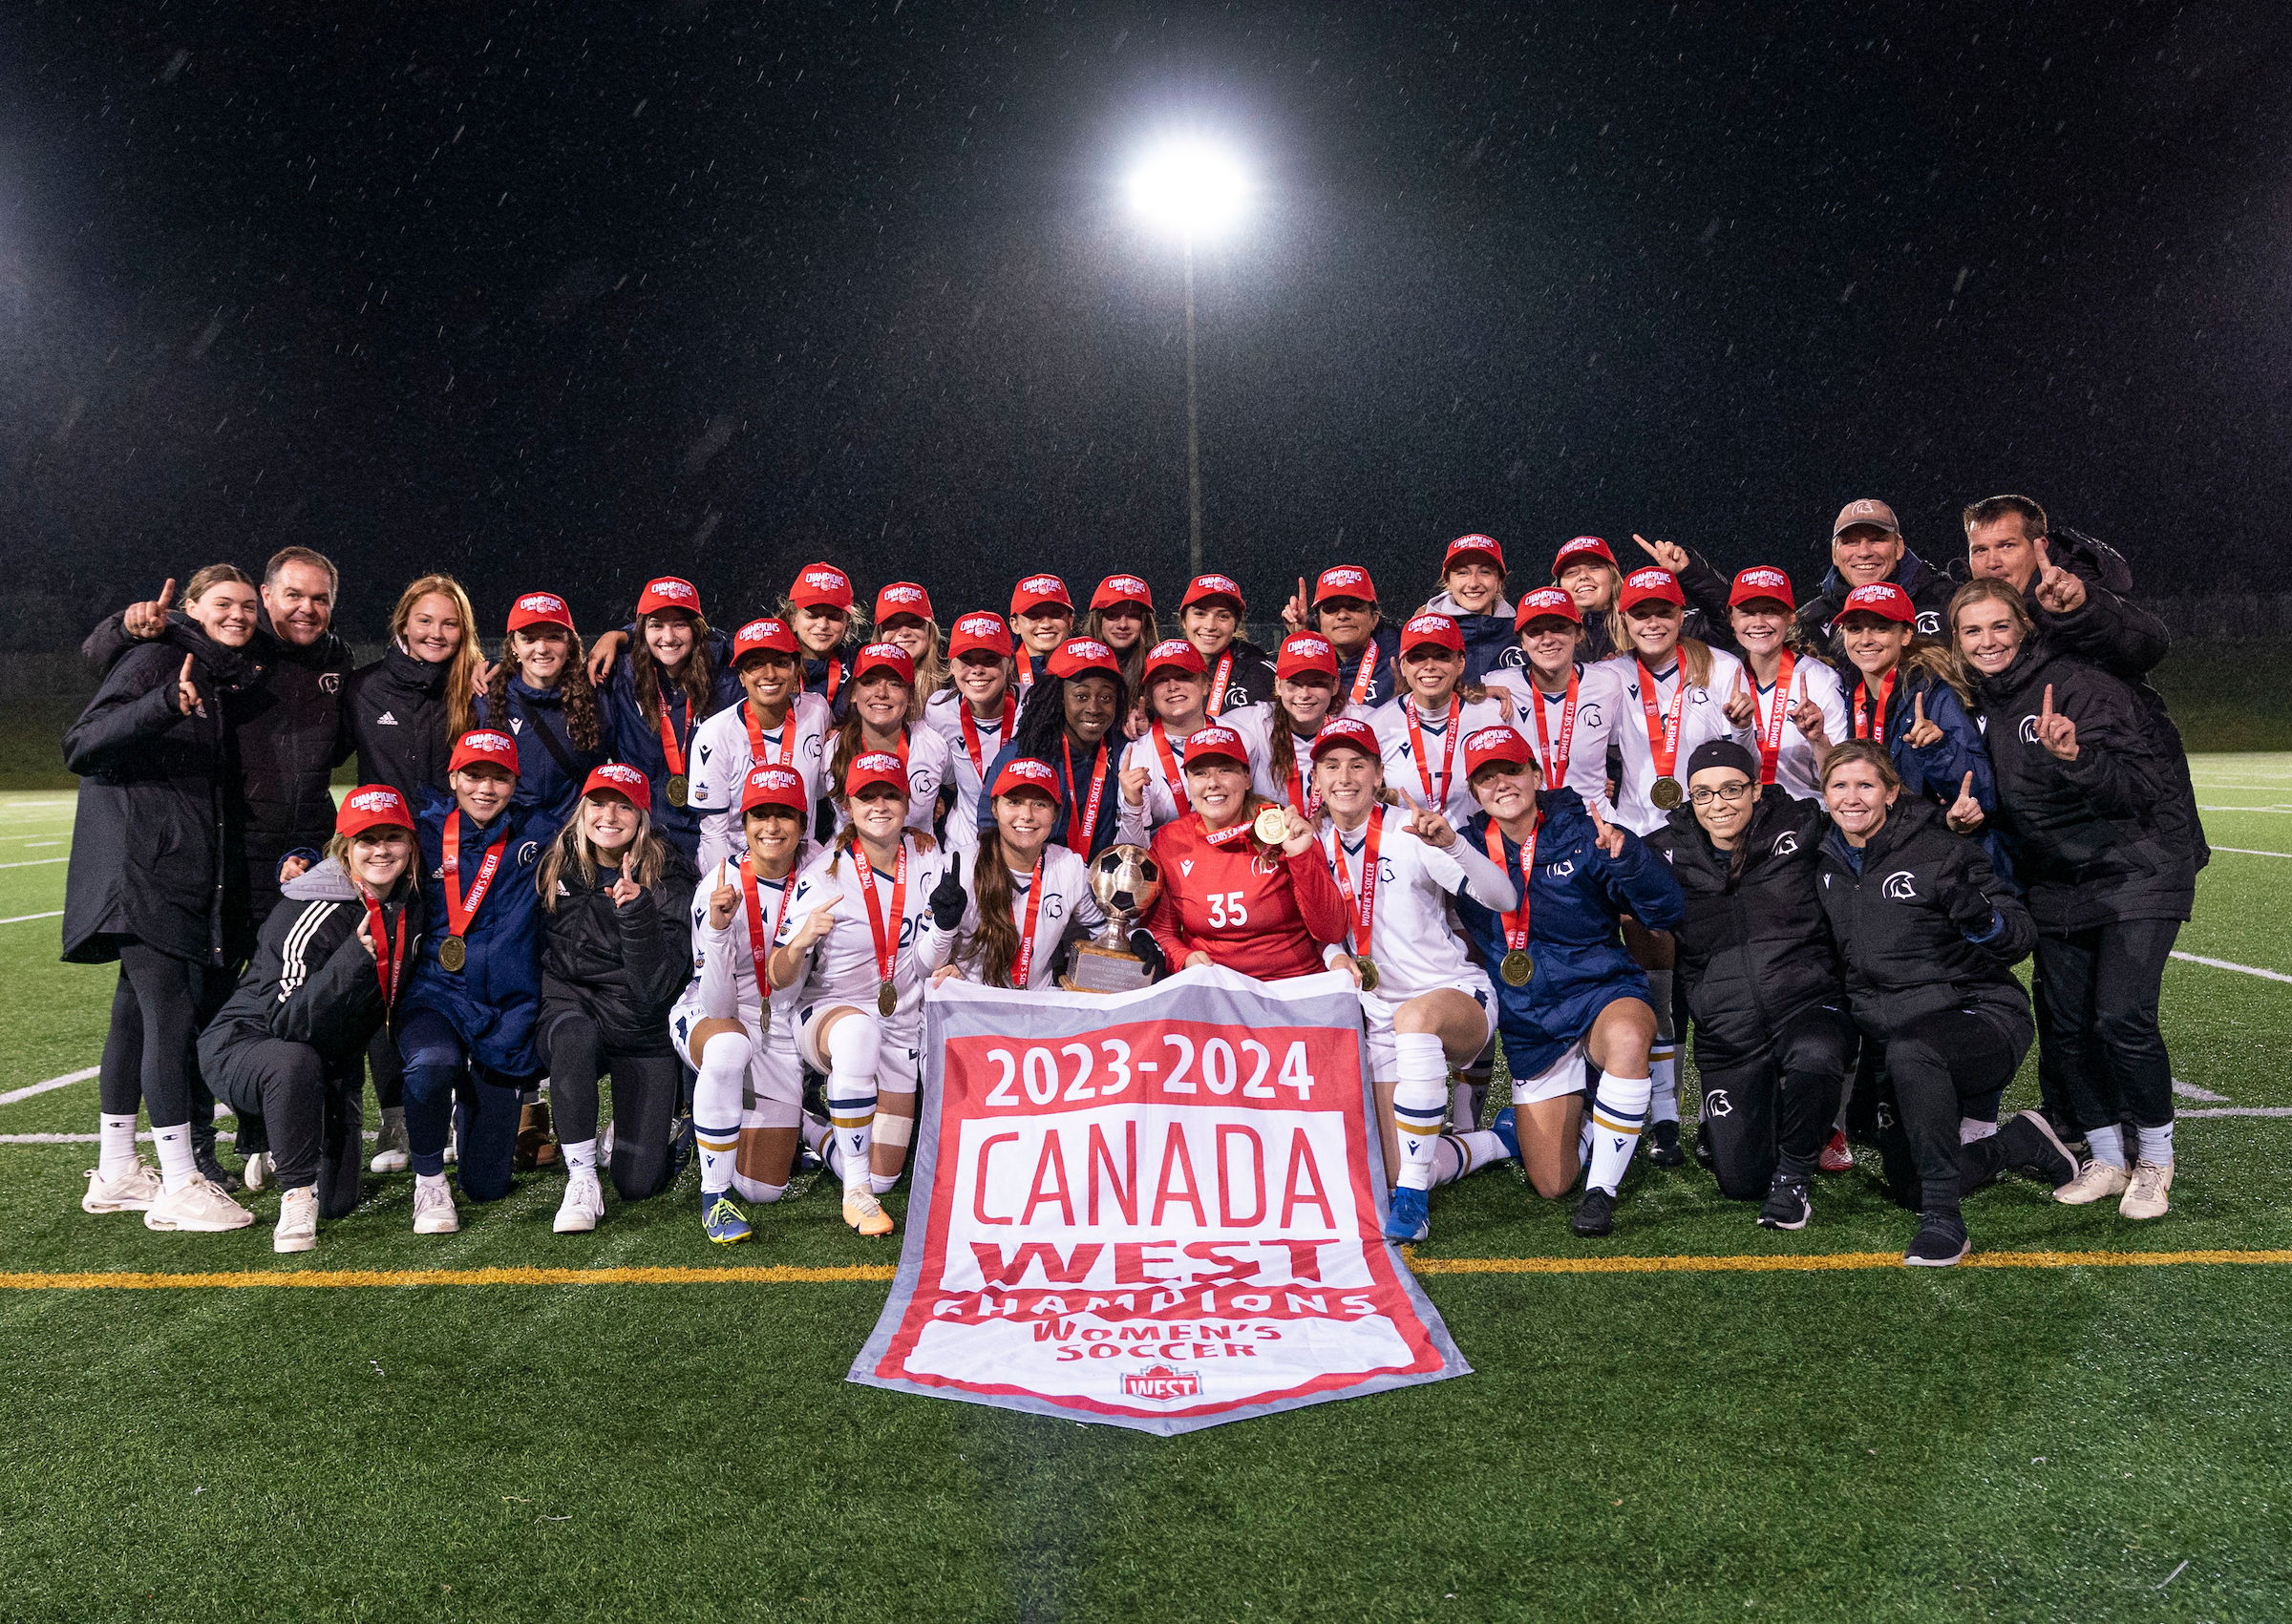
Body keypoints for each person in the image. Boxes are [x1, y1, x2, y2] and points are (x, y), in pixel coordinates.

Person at [1952, 579, 2193, 1218]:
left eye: (1999, 626)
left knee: (2121, 1015)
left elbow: (2142, 787)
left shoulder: (2080, 684)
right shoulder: (1982, 699)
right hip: (2057, 880)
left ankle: (2156, 1161)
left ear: (2024, 627)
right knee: (2066, 1025)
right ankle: (2109, 1159)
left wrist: (2077, 756)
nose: (1987, 641)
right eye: (1972, 631)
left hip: (2135, 869)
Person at [1814, 740, 2072, 1266]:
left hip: (1978, 1014)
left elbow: (2018, 936)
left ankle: (1946, 1225)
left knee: (1915, 1054)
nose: (1852, 797)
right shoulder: (1823, 862)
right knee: (1907, 1182)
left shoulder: (1941, 849)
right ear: (1824, 796)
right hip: (1895, 1031)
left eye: (1866, 784)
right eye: (1839, 785)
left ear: (1891, 792)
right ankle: (2021, 1142)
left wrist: (1979, 917)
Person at [67, 564, 266, 1231]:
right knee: (168, 1015)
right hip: (144, 873)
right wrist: (160, 704)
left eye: (246, 606)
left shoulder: (211, 670)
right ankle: (180, 1181)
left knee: (132, 1014)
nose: (238, 615)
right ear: (191, 606)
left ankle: (118, 1167)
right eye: (223, 603)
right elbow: (82, 744)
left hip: (161, 868)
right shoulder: (160, 659)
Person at [1450, 727, 1684, 1238]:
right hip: (1530, 1017)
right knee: (1553, 1182)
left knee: (1626, 1035)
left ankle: (1603, 1193)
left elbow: (1667, 911)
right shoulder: (1462, 849)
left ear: (1535, 774)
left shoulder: (1587, 830)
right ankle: (1594, 1106)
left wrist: (1629, 859)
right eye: (1487, 778)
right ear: (1475, 792)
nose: (1502, 785)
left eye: (1511, 771)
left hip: (1600, 991)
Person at [1305, 718, 1518, 1242]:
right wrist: (1335, 954)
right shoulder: (1312, 843)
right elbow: (1323, 924)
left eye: (1358, 764)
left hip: (1451, 996)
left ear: (1378, 773)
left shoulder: (1410, 829)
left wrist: (1452, 846)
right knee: (1393, 1167)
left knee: (1414, 1018)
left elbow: (1503, 899)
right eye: (1331, 766)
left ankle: (1415, 1204)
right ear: (1315, 779)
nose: (1345, 776)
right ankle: (1497, 1141)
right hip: (1381, 1015)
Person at [198, 786, 423, 1252]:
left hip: (329, 1061)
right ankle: (295, 1191)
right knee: (291, 1061)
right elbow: (287, 1022)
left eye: (392, 838)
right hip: (249, 1043)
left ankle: (277, 1142)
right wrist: (356, 959)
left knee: (339, 1200)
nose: (381, 850)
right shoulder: (307, 909)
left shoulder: (406, 901)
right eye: (367, 839)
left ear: (410, 845)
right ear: (344, 849)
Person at [1647, 740, 1856, 1226]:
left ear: (1756, 789)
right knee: (1740, 1182)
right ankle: (1789, 1117)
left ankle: (1795, 1178)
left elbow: (1873, 825)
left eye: (1731, 790)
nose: (1718, 804)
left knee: (1817, 1054)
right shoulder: (1664, 853)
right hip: (1729, 1033)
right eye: (1703, 794)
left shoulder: (1803, 827)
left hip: (1807, 1004)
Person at [1598, 565, 1755, 1162]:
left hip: (1707, 834)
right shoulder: (1610, 674)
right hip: (1639, 836)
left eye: (1663, 610)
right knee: (1655, 975)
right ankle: (1664, 1111)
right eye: (1641, 613)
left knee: (1713, 977)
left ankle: (1720, 1105)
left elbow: (1743, 757)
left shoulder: (1721, 666)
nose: (1653, 621)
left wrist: (1741, 728)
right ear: (1624, 619)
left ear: (1680, 613)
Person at [1962, 493, 2206, 872]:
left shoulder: (2075, 592)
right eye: (1980, 550)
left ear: (2039, 545)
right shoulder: (1975, 615)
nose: (1991, 562)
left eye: (2006, 546)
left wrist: (2083, 609)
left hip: (2135, 835)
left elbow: (2150, 644)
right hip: (2054, 852)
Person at [769, 751, 959, 1237]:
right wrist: (800, 941)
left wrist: (945, 928)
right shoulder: (821, 873)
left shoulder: (930, 860)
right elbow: (776, 975)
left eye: (890, 794)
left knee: (886, 1174)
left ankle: (810, 1128)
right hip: (830, 1012)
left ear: (907, 801)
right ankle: (855, 1193)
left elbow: (925, 963)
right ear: (848, 804)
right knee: (856, 1035)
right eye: (867, 795)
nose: (879, 805)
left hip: (901, 1023)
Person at [348, 572, 484, 1175]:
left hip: (462, 862)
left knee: (463, 981)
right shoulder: (360, 689)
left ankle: (472, 1110)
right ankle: (398, 1118)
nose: (436, 633)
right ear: (402, 623)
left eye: (449, 623)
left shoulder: (477, 687)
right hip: (388, 864)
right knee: (387, 986)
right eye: (425, 620)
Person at [395, 728, 551, 1234]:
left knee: (486, 1185)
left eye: (499, 778)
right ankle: (429, 1182)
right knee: (431, 1064)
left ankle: (475, 1114)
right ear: (454, 777)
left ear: (514, 783)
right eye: (474, 775)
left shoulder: (540, 833)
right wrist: (305, 856)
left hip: (506, 1006)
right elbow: (359, 849)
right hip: (436, 994)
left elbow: (604, 842)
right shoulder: (421, 830)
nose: (485, 788)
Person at [536, 763, 699, 1234]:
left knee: (638, 1183)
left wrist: (637, 911)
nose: (609, 815)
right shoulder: (556, 862)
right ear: (582, 810)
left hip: (639, 1024)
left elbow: (654, 987)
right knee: (574, 1037)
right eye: (599, 803)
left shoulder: (669, 873)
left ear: (642, 814)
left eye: (623, 805)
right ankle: (582, 1177)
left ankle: (635, 1133)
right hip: (574, 1008)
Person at [674, 764, 817, 1244]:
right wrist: (716, 932)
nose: (771, 828)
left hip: (777, 1021)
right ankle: (713, 1198)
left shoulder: (821, 872)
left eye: (783, 816)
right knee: (728, 1048)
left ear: (802, 823)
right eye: (760, 815)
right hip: (712, 1013)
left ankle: (810, 1129)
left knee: (763, 1189)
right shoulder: (716, 885)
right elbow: (716, 1004)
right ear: (743, 822)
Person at [1142, 724, 1350, 979]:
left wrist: (1301, 857)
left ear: (1247, 778)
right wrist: (1184, 958)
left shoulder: (1283, 827)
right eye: (1200, 773)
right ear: (1189, 782)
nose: (1213, 783)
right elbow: (1162, 930)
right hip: (1217, 988)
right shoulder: (1170, 840)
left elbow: (1331, 931)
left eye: (1225, 770)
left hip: (1292, 984)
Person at [1816, 580, 1995, 828]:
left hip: (1927, 838)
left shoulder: (1933, 693)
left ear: (1906, 634)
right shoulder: (1847, 690)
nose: (1865, 640)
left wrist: (1938, 748)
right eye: (1855, 629)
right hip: (1875, 833)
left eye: (1880, 628)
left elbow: (1981, 792)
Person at [594, 577, 740, 864]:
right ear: (642, 630)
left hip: (713, 834)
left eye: (680, 625)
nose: (669, 637)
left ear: (698, 629)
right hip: (647, 837)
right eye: (657, 625)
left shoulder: (727, 676)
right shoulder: (623, 674)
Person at [938, 758, 1107, 989]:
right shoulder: (958, 866)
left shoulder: (1069, 866)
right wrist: (943, 928)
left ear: (1055, 815)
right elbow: (924, 965)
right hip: (975, 1010)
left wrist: (1136, 938)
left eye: (1039, 804)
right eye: (1014, 802)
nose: (1026, 815)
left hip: (1038, 1011)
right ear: (995, 808)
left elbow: (1105, 933)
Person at [687, 615, 835, 875]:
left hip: (802, 866)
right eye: (756, 665)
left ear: (795, 669)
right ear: (742, 677)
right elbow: (713, 834)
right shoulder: (715, 734)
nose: (769, 675)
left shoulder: (817, 712)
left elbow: (820, 789)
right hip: (738, 865)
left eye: (779, 663)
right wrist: (728, 887)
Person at [977, 637, 1142, 858]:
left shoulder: (1124, 750)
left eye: (1106, 697)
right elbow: (990, 826)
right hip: (1037, 884)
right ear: (1058, 698)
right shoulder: (1024, 754)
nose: (1094, 708)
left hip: (1102, 882)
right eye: (1081, 696)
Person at [1708, 567, 1848, 799]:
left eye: (1770, 611)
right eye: (1747, 613)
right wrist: (1741, 730)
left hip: (1808, 816)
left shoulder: (1821, 680)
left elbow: (1842, 780)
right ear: (1731, 619)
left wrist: (1818, 740)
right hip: (1742, 815)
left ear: (1791, 616)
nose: (1759, 622)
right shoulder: (1721, 678)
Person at [476, 591, 605, 838]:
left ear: (570, 643)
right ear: (513, 646)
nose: (542, 648)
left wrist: (619, 634)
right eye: (529, 639)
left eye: (554, 637)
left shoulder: (597, 694)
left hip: (577, 838)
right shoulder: (486, 697)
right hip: (511, 839)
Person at [1370, 613, 1517, 828]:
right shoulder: (1378, 724)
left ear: (1460, 663)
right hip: (1410, 853)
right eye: (1417, 657)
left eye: (1441, 656)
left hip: (1482, 851)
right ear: (1403, 666)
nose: (1429, 666)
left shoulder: (1493, 716)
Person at [1477, 587, 1617, 798]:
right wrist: (1474, 693)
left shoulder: (1609, 682)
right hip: (1528, 822)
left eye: (1559, 627)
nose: (1548, 639)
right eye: (1535, 631)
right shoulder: (1499, 684)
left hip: (1593, 821)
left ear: (1578, 633)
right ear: (1522, 642)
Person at [822, 643, 950, 837]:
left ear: (910, 697)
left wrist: (936, 802)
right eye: (870, 682)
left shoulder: (933, 743)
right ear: (854, 694)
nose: (881, 693)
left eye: (894, 683)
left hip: (919, 863)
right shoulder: (831, 750)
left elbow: (959, 788)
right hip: (849, 863)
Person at [922, 610, 1022, 857]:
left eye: (990, 659)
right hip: (964, 844)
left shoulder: (1035, 705)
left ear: (1009, 663)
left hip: (1024, 842)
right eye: (967, 659)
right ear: (952, 665)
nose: (977, 670)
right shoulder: (938, 709)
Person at [1797, 497, 1957, 648]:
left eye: (1877, 540)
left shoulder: (1947, 602)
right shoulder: (1809, 622)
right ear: (1834, 554)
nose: (1864, 552)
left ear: (1899, 547)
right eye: (1851, 542)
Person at [1233, 631, 1347, 815]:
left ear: (1334, 685)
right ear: (1278, 685)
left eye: (1316, 683)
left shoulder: (1355, 721)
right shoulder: (1255, 723)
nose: (1304, 694)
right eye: (1293, 683)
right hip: (1274, 841)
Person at [1118, 639, 1213, 833]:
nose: (1172, 686)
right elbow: (1132, 849)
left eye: (1183, 676)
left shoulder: (1241, 734)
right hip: (1168, 858)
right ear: (1150, 695)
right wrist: (1132, 807)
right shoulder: (1136, 755)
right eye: (1161, 680)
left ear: (1206, 685)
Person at [1278, 564, 1402, 708]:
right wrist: (1302, 638)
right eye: (1331, 608)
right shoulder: (1296, 664)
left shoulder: (1403, 660)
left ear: (1374, 618)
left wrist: (1403, 705)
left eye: (1354, 606)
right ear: (1318, 621)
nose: (1343, 615)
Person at [1417, 533, 1517, 681]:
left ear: (1499, 580)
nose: (1473, 583)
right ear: (1448, 581)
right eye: (1462, 573)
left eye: (1485, 572)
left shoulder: (1521, 634)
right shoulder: (1422, 634)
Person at [1177, 574, 1277, 714]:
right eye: (1200, 613)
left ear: (1236, 624)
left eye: (1223, 616)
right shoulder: (1162, 672)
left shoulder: (1261, 674)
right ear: (1184, 621)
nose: (1210, 626)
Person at [785, 561, 860, 706]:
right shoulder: (770, 664)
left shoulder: (858, 663)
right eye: (812, 615)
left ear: (847, 625)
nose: (823, 625)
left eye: (833, 617)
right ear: (793, 620)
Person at [1550, 536, 1625, 662]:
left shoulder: (1640, 625)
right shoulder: (1544, 638)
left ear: (1613, 577)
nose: (1583, 576)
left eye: (1594, 567)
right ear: (1560, 587)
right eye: (1571, 572)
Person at [1085, 574, 1160, 697]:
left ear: (1145, 623)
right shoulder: (1076, 667)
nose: (1123, 625)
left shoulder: (1161, 670)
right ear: (1098, 621)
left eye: (1133, 615)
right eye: (1113, 615)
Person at [872, 581, 948, 698]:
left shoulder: (954, 676)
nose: (904, 632)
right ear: (879, 632)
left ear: (930, 629)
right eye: (891, 624)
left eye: (914, 622)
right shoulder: (857, 669)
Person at [1008, 574, 1076, 689]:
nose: (1046, 624)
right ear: (1015, 625)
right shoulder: (1001, 672)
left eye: (1055, 614)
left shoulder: (1089, 668)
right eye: (1034, 615)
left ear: (1070, 621)